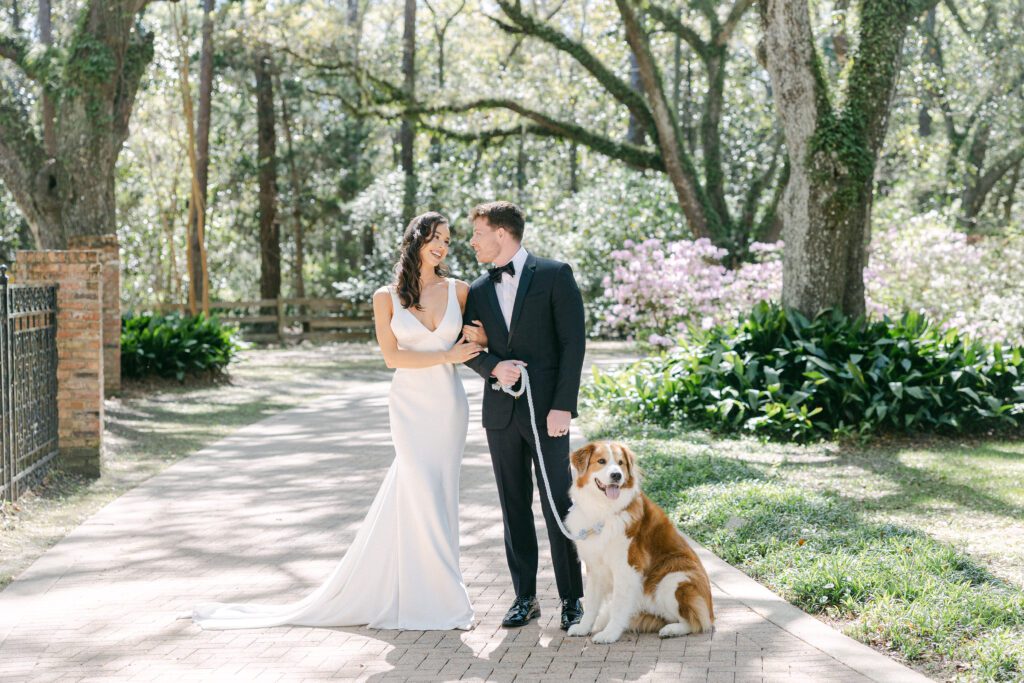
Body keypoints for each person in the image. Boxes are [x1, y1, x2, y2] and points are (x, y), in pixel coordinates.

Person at [192, 211, 481, 631]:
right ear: (415, 240)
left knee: (439, 495)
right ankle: (439, 599)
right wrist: (446, 355)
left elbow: (482, 336)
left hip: (448, 407)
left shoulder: (460, 290)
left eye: (448, 241)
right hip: (409, 406)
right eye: (434, 238)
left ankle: (436, 592)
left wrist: (478, 341)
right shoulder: (386, 296)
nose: (441, 247)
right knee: (417, 487)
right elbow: (392, 357)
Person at [460, 201, 586, 631]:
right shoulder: (476, 289)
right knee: (513, 507)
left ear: (501, 232)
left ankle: (572, 599)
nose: (472, 240)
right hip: (500, 414)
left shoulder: (554, 275)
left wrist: (563, 406)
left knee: (558, 504)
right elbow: (469, 350)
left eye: (477, 232)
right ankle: (525, 597)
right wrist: (493, 365)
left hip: (547, 412)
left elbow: (574, 344)